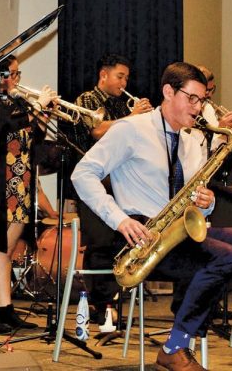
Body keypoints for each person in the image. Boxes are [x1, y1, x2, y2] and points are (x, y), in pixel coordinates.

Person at [72, 62, 232, 371]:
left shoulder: (191, 139)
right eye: (191, 98)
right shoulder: (132, 129)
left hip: (178, 231)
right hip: (143, 234)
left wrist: (205, 203)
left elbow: (192, 200)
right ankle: (174, 346)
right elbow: (82, 173)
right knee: (225, 257)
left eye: (202, 100)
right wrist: (119, 219)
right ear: (168, 92)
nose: (198, 108)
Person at [0, 55, 57, 335]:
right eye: (12, 73)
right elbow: (1, 131)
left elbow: (34, 141)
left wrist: (43, 116)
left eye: (18, 74)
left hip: (19, 185)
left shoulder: (16, 103)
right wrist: (35, 109)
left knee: (5, 251)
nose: (16, 80)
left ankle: (5, 310)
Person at [71, 54, 151, 323]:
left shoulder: (120, 105)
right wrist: (132, 117)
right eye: (120, 76)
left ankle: (113, 300)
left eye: (127, 77)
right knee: (99, 242)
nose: (124, 82)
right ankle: (99, 303)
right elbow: (96, 130)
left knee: (116, 242)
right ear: (103, 75)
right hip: (94, 183)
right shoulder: (87, 100)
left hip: (119, 184)